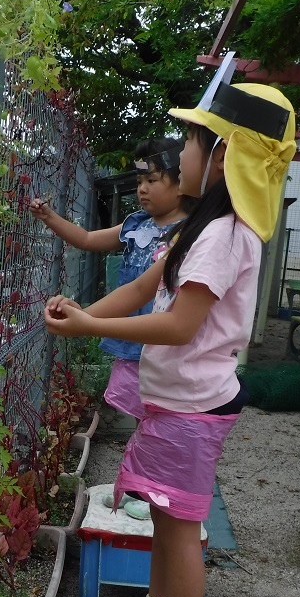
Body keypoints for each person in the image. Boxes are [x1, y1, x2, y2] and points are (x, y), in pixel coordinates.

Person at [44, 80, 296, 597]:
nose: (177, 155)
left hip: (192, 409)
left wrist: (85, 330)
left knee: (182, 527)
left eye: (188, 141)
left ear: (221, 158)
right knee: (162, 516)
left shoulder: (221, 235)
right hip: (175, 404)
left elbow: (181, 325)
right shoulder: (197, 228)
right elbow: (139, 289)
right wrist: (87, 314)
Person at [30, 138, 192, 422]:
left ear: (181, 184)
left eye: (152, 180)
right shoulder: (136, 224)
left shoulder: (192, 231)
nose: (142, 188)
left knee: (169, 411)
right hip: (130, 334)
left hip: (166, 340)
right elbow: (87, 238)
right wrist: (50, 217)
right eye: (140, 180)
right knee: (140, 413)